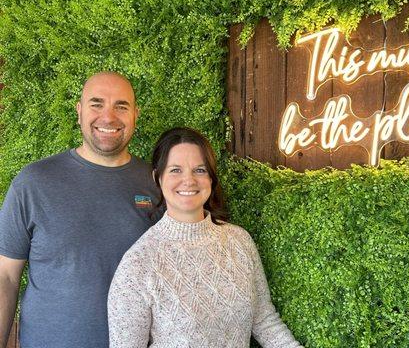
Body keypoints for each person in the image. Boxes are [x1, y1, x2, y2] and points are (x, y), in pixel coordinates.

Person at [0, 72, 161, 348]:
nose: (108, 117)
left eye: (121, 106)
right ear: (79, 111)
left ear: (136, 114)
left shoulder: (159, 185)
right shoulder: (33, 183)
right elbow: (5, 276)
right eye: (96, 104)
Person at [108, 127, 303, 348]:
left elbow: (264, 321)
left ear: (211, 177)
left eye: (199, 170)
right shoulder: (139, 263)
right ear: (157, 178)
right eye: (175, 170)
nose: (188, 180)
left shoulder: (239, 241)